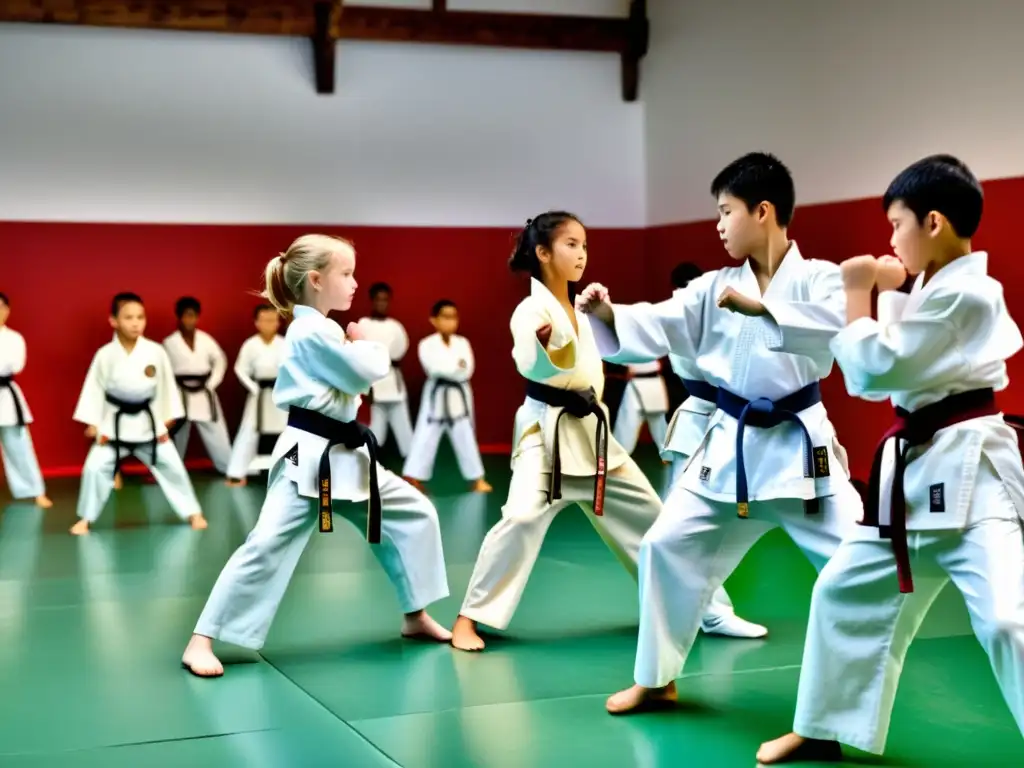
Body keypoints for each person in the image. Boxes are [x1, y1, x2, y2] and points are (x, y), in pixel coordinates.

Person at [757, 154, 1024, 763]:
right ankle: (821, 727)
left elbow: (876, 368)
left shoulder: (973, 295)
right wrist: (886, 289)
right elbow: (896, 350)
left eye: (896, 224)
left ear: (932, 222)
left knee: (1009, 623)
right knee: (839, 591)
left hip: (976, 483)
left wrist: (857, 292)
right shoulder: (938, 285)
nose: (891, 238)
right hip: (914, 480)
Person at [580, 152, 864, 713]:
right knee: (664, 545)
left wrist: (765, 313)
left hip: (799, 451)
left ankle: (837, 713)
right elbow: (662, 321)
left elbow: (839, 330)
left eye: (725, 210)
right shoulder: (712, 287)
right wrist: (611, 315)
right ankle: (656, 678)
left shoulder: (820, 278)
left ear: (763, 211)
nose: (718, 224)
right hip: (728, 451)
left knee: (861, 563)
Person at [181, 234, 451, 678]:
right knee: (266, 543)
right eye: (346, 274)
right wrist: (364, 341)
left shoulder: (322, 329)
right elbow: (366, 371)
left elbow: (352, 380)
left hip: (346, 452)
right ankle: (201, 639)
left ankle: (414, 614)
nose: (354, 282)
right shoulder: (311, 331)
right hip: (308, 460)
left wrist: (352, 348)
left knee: (413, 513)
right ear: (316, 279)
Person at [451, 212, 691, 652]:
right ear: (542, 253)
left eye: (584, 245)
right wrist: (546, 344)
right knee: (520, 518)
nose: (581, 254)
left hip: (596, 440)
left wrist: (600, 314)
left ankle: (702, 608)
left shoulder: (579, 308)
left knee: (653, 519)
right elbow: (529, 357)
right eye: (571, 245)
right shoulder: (531, 309)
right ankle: (471, 617)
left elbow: (617, 345)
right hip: (547, 436)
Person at [658, 263, 768, 640]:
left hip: (720, 422)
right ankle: (711, 612)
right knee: (683, 524)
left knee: (712, 523)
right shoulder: (682, 319)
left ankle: (702, 608)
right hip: (698, 423)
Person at [71, 293, 207, 535]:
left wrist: (167, 420)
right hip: (114, 423)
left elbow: (166, 388)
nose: (136, 323)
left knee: (173, 467)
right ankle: (86, 518)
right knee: (94, 468)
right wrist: (94, 424)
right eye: (128, 317)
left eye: (140, 317)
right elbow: (94, 389)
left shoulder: (155, 351)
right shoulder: (105, 355)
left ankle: (193, 513)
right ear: (113, 320)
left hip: (148, 423)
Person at [401, 300, 492, 494]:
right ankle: (413, 478)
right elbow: (433, 369)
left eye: (454, 317)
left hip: (458, 397)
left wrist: (450, 368)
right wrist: (455, 367)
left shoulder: (463, 343)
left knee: (465, 436)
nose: (450, 322)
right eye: (445, 317)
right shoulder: (426, 344)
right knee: (425, 435)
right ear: (434, 320)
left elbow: (467, 370)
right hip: (437, 397)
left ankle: (476, 479)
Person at [163, 296, 232, 474]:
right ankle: (170, 470)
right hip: (180, 393)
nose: (189, 320)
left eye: (193, 315)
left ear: (197, 317)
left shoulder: (206, 340)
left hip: (204, 392)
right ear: (179, 317)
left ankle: (227, 467)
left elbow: (220, 360)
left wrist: (212, 383)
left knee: (216, 431)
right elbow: (164, 370)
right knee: (177, 434)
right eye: (186, 315)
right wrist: (171, 391)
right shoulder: (169, 343)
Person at [225, 304, 288, 486]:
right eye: (265, 320)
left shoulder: (284, 343)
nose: (270, 324)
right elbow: (240, 369)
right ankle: (236, 473)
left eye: (273, 320)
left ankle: (295, 472)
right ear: (257, 323)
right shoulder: (251, 344)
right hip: (259, 393)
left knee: (288, 431)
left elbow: (291, 369)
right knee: (249, 430)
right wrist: (253, 387)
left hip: (280, 393)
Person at [0, 293, 52, 508]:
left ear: (8, 310)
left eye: (1, 307)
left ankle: (35, 491)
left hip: (5, 393)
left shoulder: (15, 338)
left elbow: (16, 365)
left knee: (18, 444)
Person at [357, 283, 415, 458]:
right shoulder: (363, 324)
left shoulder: (396, 327)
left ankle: (413, 470)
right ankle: (366, 466)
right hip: (373, 385)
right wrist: (365, 386)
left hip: (393, 384)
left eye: (385, 300)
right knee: (374, 432)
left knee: (405, 431)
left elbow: (400, 352)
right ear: (372, 301)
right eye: (378, 299)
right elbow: (360, 356)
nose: (382, 303)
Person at [612, 360, 670, 454]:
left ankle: (668, 454)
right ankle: (618, 455)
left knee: (658, 422)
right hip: (635, 381)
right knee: (628, 421)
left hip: (653, 381)